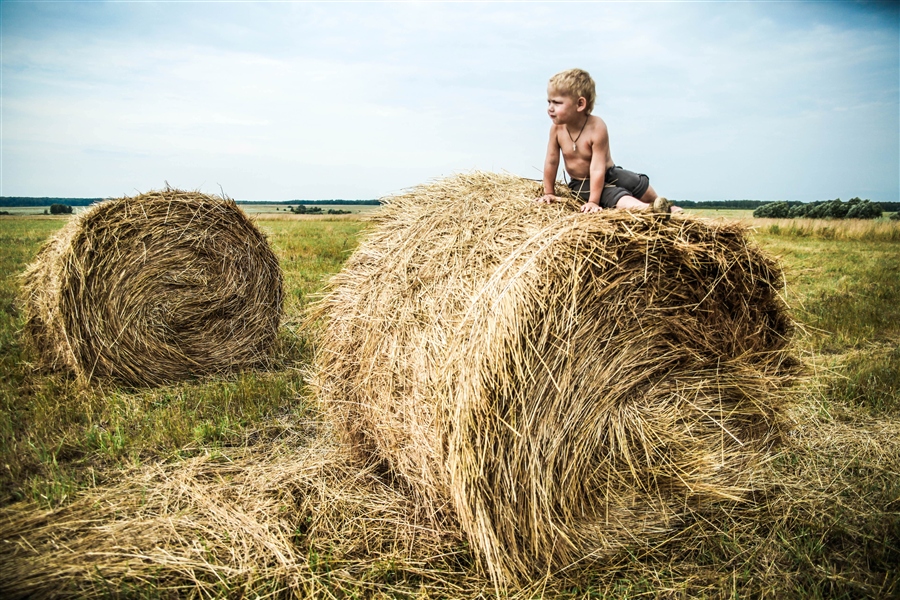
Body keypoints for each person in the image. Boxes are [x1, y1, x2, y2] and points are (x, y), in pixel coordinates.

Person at [535, 68, 679, 214]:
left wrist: (593, 202)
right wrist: (549, 192)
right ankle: (648, 210)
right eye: (549, 102)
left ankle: (662, 205)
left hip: (608, 172)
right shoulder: (556, 129)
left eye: (557, 103)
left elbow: (597, 167)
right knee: (613, 195)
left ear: (580, 104)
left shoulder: (596, 127)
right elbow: (552, 161)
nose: (550, 108)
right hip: (581, 182)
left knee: (634, 181)